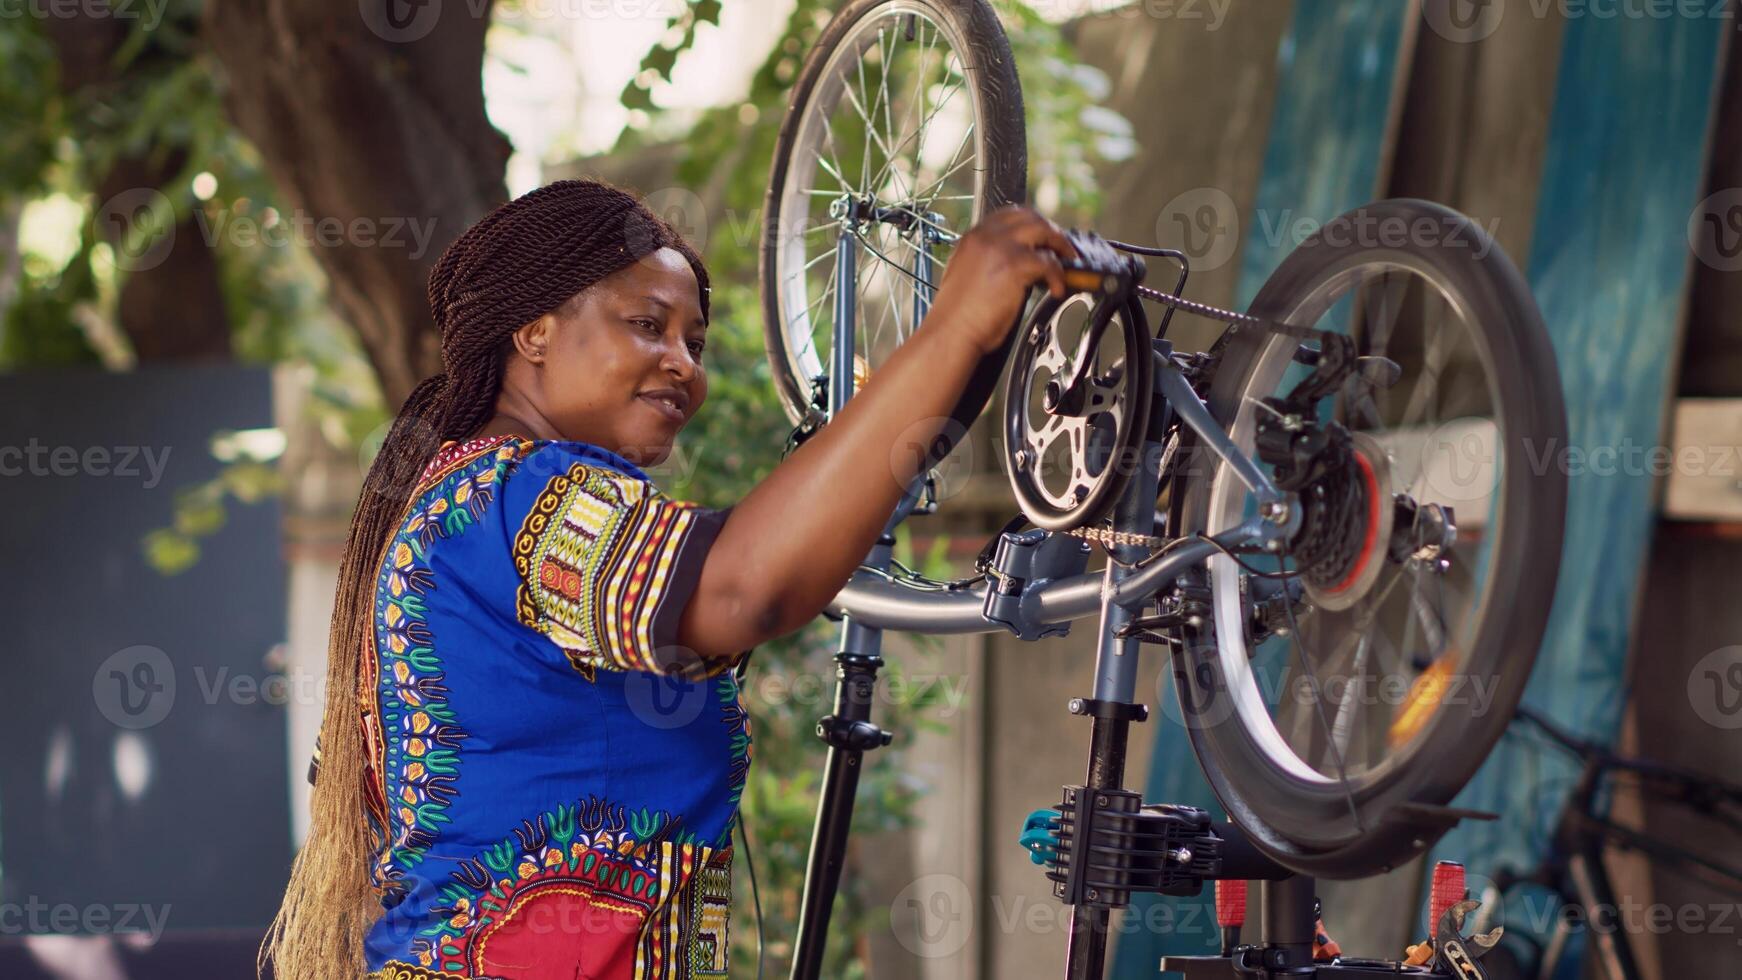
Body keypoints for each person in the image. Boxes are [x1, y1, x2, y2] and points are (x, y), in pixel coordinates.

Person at [259, 178, 1077, 980]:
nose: (681, 364)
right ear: (535, 333)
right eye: (648, 324)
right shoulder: (526, 494)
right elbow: (741, 591)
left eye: (695, 343)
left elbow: (755, 563)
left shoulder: (466, 498)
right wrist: (954, 327)